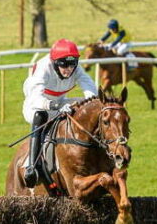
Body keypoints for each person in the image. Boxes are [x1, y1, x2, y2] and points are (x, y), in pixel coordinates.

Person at [20, 39, 99, 188]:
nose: (68, 68)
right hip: (36, 104)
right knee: (41, 114)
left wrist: (91, 105)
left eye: (72, 63)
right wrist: (54, 106)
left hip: (60, 102)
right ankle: (32, 167)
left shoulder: (75, 68)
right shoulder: (43, 68)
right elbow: (35, 97)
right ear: (55, 62)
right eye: (63, 64)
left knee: (85, 107)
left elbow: (90, 89)